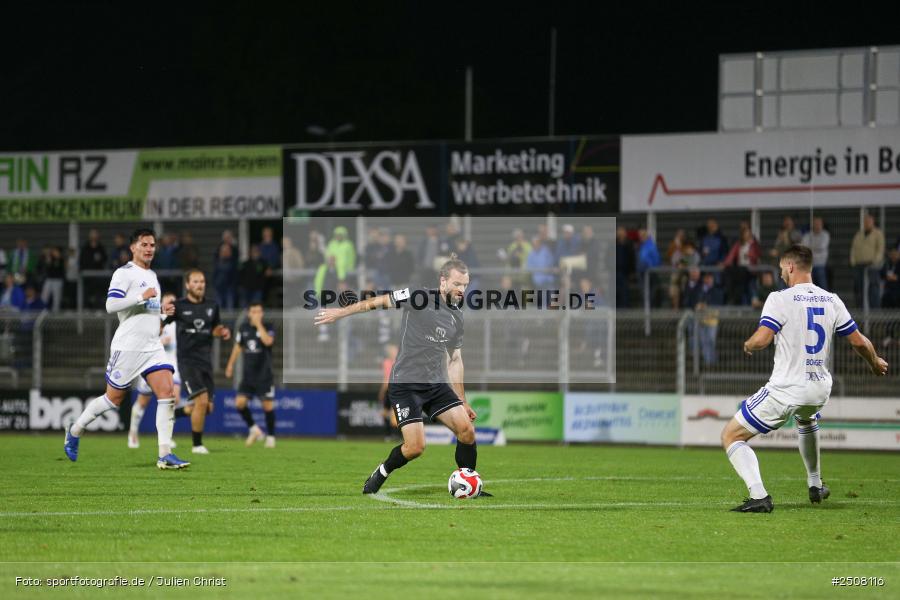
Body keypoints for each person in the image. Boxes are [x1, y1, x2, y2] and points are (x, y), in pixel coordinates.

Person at [722, 245, 888, 513]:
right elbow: (858, 341)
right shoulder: (831, 299)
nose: (780, 275)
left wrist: (749, 344)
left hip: (787, 389)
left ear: (790, 267)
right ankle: (815, 483)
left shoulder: (780, 298)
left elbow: (763, 338)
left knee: (731, 435)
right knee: (807, 418)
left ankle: (759, 496)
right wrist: (875, 362)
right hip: (819, 389)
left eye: (781, 270)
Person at [314, 254, 489, 497]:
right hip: (406, 384)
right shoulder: (418, 297)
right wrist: (340, 313)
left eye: (465, 286)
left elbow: (455, 359)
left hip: (435, 384)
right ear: (443, 282)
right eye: (457, 284)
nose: (462, 290)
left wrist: (462, 400)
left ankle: (469, 485)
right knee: (415, 447)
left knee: (466, 430)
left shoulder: (457, 316)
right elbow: (376, 301)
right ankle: (382, 471)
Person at [63, 228, 189, 470]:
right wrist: (141, 296)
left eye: (153, 245)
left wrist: (163, 313)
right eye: (144, 244)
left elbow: (149, 314)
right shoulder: (124, 273)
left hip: (152, 347)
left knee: (167, 393)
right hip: (128, 348)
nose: (149, 248)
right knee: (113, 400)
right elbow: (111, 305)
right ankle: (76, 429)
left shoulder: (152, 275)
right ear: (133, 248)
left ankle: (165, 454)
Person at [165, 269, 231, 454]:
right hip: (187, 361)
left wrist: (222, 332)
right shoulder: (177, 306)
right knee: (201, 401)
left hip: (205, 362)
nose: (200, 285)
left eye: (202, 281)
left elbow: (215, 329)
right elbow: (160, 324)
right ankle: (197, 445)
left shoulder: (212, 305)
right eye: (195, 281)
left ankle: (171, 415)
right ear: (187, 285)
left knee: (206, 407)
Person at [128, 292, 181, 449]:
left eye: (174, 302)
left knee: (174, 399)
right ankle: (133, 432)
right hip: (153, 362)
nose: (171, 304)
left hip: (173, 365)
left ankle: (166, 437)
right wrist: (160, 340)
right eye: (168, 301)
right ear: (162, 303)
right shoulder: (153, 319)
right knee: (143, 402)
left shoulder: (178, 321)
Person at [224, 302, 277, 448]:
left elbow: (268, 341)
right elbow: (237, 347)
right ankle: (254, 429)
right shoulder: (243, 328)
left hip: (264, 375)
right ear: (249, 314)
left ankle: (271, 437)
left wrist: (259, 325)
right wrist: (230, 365)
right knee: (239, 403)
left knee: (267, 406)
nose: (256, 314)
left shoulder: (269, 326)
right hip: (248, 375)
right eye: (253, 312)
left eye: (259, 311)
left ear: (262, 313)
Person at [850, 213, 885, 309]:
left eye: (869, 221)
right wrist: (853, 262)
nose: (867, 223)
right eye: (865, 221)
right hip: (859, 265)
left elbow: (880, 249)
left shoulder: (878, 234)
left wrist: (875, 261)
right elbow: (853, 248)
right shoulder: (859, 234)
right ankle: (861, 312)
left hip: (872, 267)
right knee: (859, 290)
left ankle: (875, 317)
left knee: (873, 290)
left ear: (873, 222)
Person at [79, 230, 108, 309]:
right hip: (87, 276)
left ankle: (98, 309)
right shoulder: (85, 247)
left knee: (98, 293)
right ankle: (85, 309)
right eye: (92, 235)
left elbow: (105, 259)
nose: (94, 237)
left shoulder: (101, 248)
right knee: (86, 294)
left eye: (95, 235)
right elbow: (82, 260)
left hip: (98, 276)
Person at [377, 343, 400, 439]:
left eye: (394, 350)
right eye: (391, 351)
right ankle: (390, 434)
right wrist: (382, 391)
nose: (393, 352)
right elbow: (386, 379)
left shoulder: (398, 361)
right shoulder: (387, 362)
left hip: (398, 389)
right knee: (388, 412)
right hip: (391, 389)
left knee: (393, 413)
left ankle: (392, 434)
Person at [801, 217, 830, 289]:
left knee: (823, 287)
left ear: (822, 225)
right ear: (812, 225)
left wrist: (810, 248)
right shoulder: (807, 235)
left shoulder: (825, 235)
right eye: (815, 224)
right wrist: (815, 249)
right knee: (809, 288)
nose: (817, 225)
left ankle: (824, 300)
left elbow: (822, 246)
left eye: (819, 224)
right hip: (809, 266)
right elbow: (804, 248)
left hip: (821, 265)